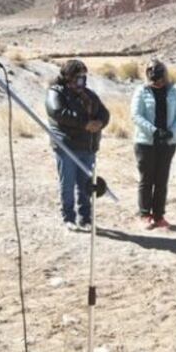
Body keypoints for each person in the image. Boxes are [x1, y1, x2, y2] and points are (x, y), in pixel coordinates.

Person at [46, 59, 110, 231]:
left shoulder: (88, 95)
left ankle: (85, 218)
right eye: (78, 75)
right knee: (67, 184)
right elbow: (58, 112)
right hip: (67, 147)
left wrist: (99, 123)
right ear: (68, 76)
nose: (82, 79)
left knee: (86, 185)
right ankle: (68, 217)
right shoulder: (57, 92)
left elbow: (104, 113)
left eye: (84, 75)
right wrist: (85, 124)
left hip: (88, 147)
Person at [131, 58, 176, 228]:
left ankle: (159, 215)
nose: (157, 80)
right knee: (147, 179)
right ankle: (144, 214)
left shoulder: (173, 92)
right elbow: (136, 115)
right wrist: (153, 130)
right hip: (146, 142)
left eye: (159, 75)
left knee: (162, 179)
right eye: (152, 75)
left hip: (167, 142)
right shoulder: (141, 91)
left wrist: (171, 132)